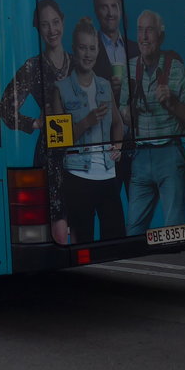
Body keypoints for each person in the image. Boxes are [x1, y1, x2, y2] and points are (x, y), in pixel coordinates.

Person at [117, 10, 185, 233]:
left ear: (161, 36)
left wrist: (173, 103)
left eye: (150, 30)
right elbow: (122, 112)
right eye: (140, 30)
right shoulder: (130, 68)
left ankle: (177, 266)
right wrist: (128, 114)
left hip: (170, 154)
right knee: (133, 231)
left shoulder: (176, 69)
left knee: (174, 230)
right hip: (141, 156)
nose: (144, 36)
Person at [0, 0, 72, 243]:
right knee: (59, 228)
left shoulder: (80, 62)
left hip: (85, 151)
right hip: (52, 153)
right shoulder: (33, 66)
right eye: (44, 25)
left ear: (63, 21)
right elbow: (6, 108)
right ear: (37, 29)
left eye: (55, 22)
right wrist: (35, 123)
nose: (52, 30)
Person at [50, 18, 126, 242]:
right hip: (77, 176)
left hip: (108, 174)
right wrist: (86, 121)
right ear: (74, 50)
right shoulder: (61, 89)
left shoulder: (104, 85)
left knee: (116, 240)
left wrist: (118, 146)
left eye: (92, 48)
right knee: (83, 242)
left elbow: (118, 124)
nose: (88, 54)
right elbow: (58, 140)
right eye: (83, 48)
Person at [91, 0, 128, 97]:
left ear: (120, 9)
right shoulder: (87, 50)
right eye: (104, 7)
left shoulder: (137, 49)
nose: (110, 13)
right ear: (96, 11)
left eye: (113, 6)